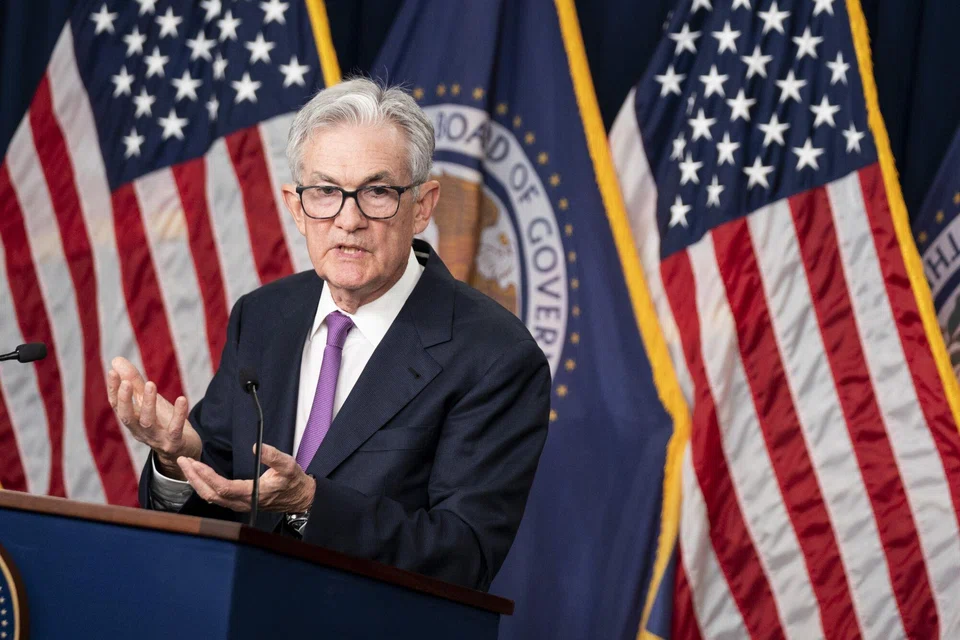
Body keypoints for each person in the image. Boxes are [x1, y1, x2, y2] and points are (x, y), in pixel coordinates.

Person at [106, 78, 551, 592]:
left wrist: (310, 503)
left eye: (377, 192)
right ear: (296, 207)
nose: (348, 219)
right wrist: (177, 456)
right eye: (325, 193)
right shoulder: (264, 316)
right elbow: (224, 492)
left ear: (423, 206)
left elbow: (463, 555)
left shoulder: (495, 357)